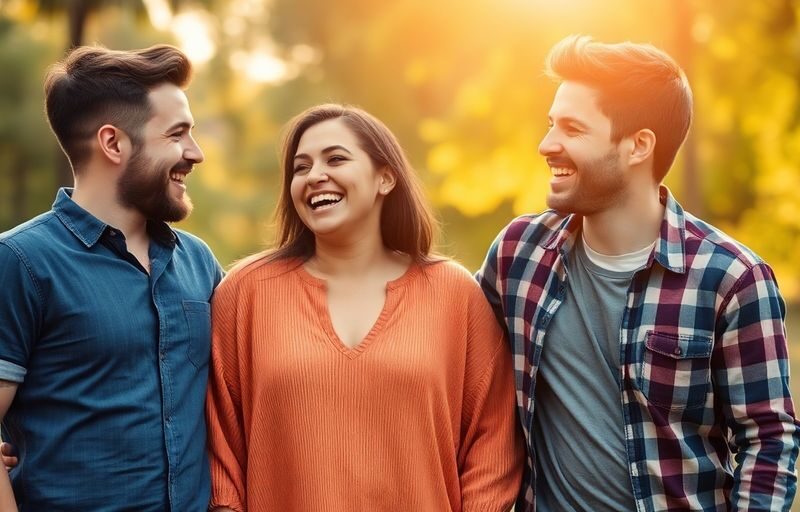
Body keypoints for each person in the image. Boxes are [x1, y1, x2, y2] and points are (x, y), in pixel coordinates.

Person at [477, 35, 800, 511]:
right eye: (551, 125)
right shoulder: (518, 255)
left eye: (572, 128)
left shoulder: (731, 279)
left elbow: (768, 440)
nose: (546, 144)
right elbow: (459, 376)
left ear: (638, 145)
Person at [206, 104, 523, 511]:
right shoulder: (246, 292)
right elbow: (221, 455)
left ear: (385, 177)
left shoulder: (454, 293)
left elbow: (493, 445)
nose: (314, 175)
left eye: (336, 158)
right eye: (300, 168)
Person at [0, 45, 223, 510]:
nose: (195, 153)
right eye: (177, 134)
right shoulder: (21, 262)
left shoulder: (200, 263)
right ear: (114, 143)